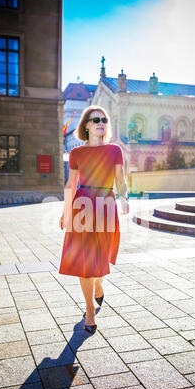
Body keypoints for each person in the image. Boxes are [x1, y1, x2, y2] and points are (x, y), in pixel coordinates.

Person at [59, 105, 129, 334]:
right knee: (83, 263)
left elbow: (120, 180)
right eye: (96, 119)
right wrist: (65, 212)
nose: (101, 123)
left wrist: (124, 199)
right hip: (83, 205)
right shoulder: (77, 154)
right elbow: (71, 184)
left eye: (104, 120)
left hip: (106, 205)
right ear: (86, 126)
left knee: (100, 263)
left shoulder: (115, 150)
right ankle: (89, 310)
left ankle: (99, 282)